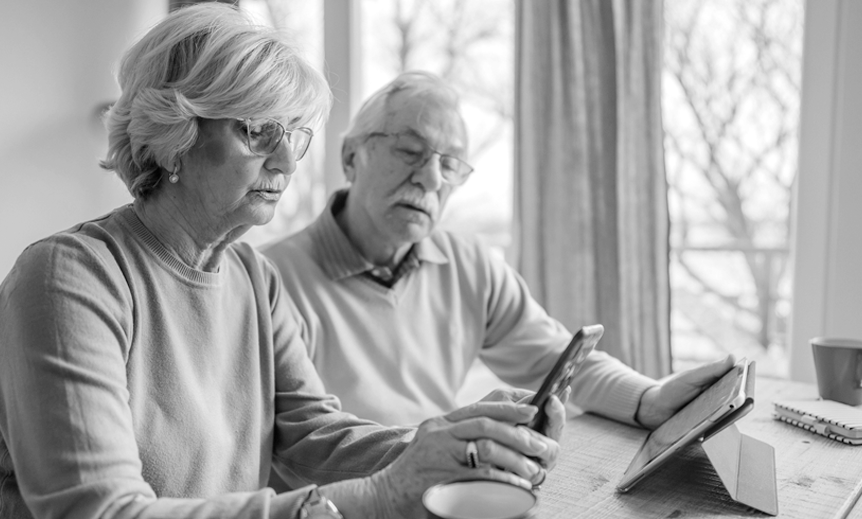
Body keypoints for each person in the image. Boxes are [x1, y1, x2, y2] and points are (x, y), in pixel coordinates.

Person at [0, 7, 563, 519]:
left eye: (294, 133)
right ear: (174, 135)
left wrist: (452, 440)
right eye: (256, 130)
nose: (289, 159)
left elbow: (315, 436)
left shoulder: (251, 276)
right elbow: (99, 512)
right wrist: (381, 495)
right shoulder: (69, 278)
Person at [262, 71, 735, 432]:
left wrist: (647, 399)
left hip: (443, 485)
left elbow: (556, 359)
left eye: (450, 164)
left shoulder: (469, 264)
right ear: (351, 157)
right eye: (410, 151)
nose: (430, 179)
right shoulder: (273, 281)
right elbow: (302, 444)